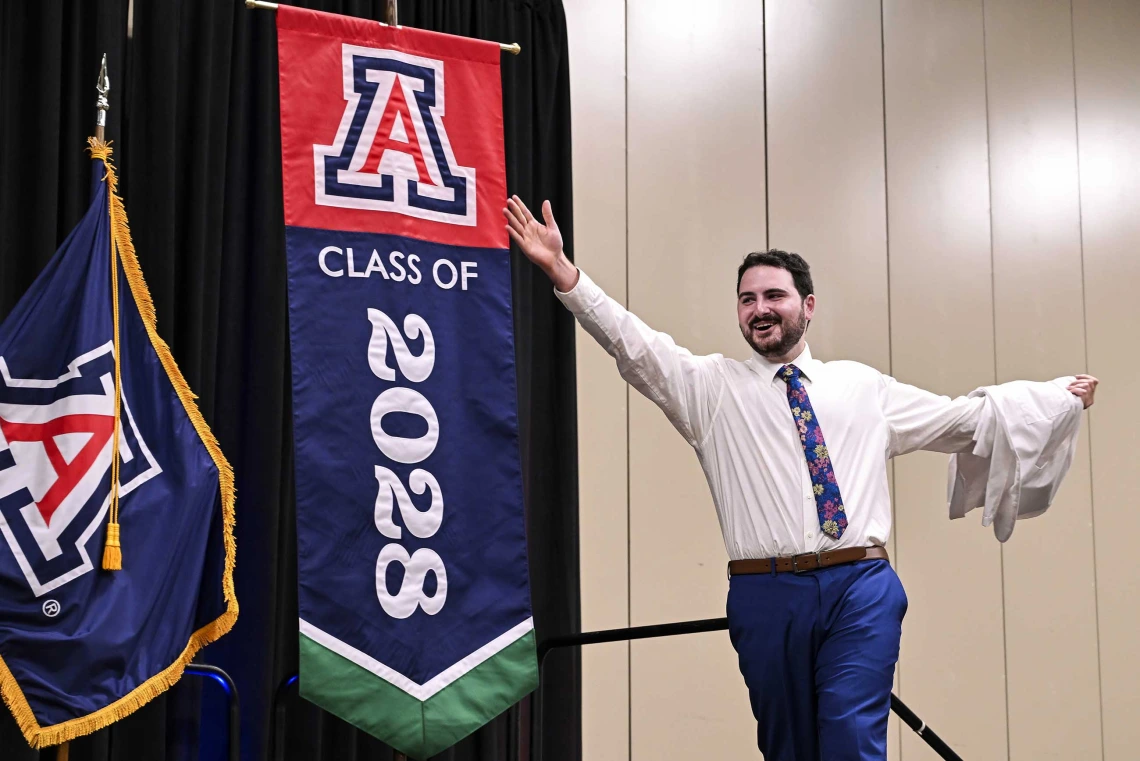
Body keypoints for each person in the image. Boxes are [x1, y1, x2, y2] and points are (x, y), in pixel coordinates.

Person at [503, 196, 1098, 761]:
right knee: (788, 748)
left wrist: (1054, 399)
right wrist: (562, 270)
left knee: (848, 732)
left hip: (860, 583)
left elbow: (965, 419)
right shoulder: (710, 390)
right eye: (746, 299)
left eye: (774, 296)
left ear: (807, 306)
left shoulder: (863, 388)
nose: (759, 309)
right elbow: (633, 344)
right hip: (767, 594)